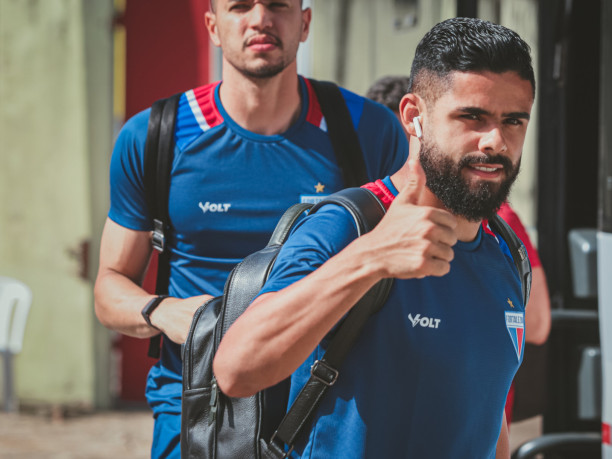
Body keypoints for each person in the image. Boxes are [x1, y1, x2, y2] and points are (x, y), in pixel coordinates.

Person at [93, 1, 408, 457]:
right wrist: (165, 312)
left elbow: (407, 268)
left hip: (326, 402)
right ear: (213, 27)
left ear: (304, 23)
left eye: (277, 5)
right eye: (240, 6)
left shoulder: (366, 130)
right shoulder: (153, 136)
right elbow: (109, 286)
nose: (260, 19)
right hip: (197, 403)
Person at [214, 17, 536, 458]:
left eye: (513, 121)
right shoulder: (349, 227)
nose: (495, 141)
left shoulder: (506, 255)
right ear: (413, 117)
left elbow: (486, 411)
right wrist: (370, 258)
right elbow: (236, 370)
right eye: (471, 117)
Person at [365, 74, 551, 425]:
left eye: (512, 120)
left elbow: (536, 323)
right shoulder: (358, 215)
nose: (400, 154)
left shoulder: (497, 219)